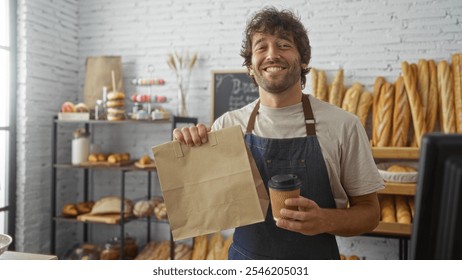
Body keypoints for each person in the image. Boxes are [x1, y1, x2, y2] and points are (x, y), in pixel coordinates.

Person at [173, 7, 384, 260]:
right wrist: (188, 152)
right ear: (250, 67)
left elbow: (370, 214)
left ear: (303, 60)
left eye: (284, 45)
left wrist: (325, 220)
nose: (272, 54)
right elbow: (202, 207)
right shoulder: (228, 126)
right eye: (261, 47)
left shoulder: (344, 125)